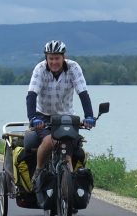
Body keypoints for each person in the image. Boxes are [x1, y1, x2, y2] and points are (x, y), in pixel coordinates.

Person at [26, 40, 96, 181]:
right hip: (43, 116)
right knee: (49, 141)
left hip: (66, 116)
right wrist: (33, 118)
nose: (54, 62)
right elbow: (31, 95)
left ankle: (68, 182)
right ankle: (38, 170)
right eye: (50, 58)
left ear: (63, 57)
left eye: (57, 58)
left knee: (68, 149)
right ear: (46, 58)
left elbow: (83, 93)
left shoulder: (73, 68)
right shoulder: (39, 69)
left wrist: (89, 116)